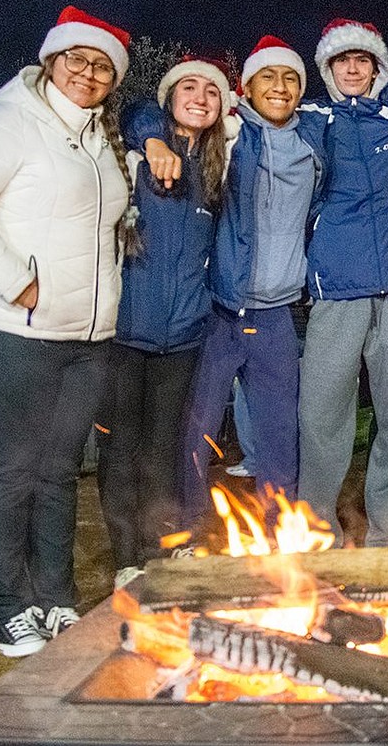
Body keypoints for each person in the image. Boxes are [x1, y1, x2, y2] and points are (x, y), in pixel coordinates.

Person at [0, 6, 132, 656]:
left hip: (86, 337)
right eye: (77, 58)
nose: (88, 72)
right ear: (52, 61)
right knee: (14, 468)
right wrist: (19, 282)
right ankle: (3, 606)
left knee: (58, 470)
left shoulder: (102, 139)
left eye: (102, 65)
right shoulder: (8, 121)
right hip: (15, 328)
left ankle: (55, 597)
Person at [140, 35, 323, 528]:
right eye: (268, 77)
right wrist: (151, 138)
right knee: (196, 426)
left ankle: (279, 528)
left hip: (280, 314)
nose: (280, 87)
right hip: (220, 309)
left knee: (281, 432)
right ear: (247, 87)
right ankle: (191, 525)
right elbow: (149, 114)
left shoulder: (316, 135)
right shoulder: (232, 131)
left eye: (290, 78)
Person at [97, 56, 233, 589]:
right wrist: (155, 139)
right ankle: (126, 555)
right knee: (121, 445)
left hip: (183, 336)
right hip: (127, 331)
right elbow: (132, 110)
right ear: (171, 97)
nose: (200, 97)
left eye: (212, 91)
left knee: (164, 446)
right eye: (189, 88)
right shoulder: (139, 153)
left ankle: (161, 544)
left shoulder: (215, 168)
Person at [296, 19, 388, 546]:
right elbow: (245, 113)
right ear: (327, 68)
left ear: (377, 67)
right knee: (322, 415)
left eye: (362, 60)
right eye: (341, 60)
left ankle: (387, 531)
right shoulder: (311, 118)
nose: (351, 68)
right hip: (335, 289)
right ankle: (317, 528)